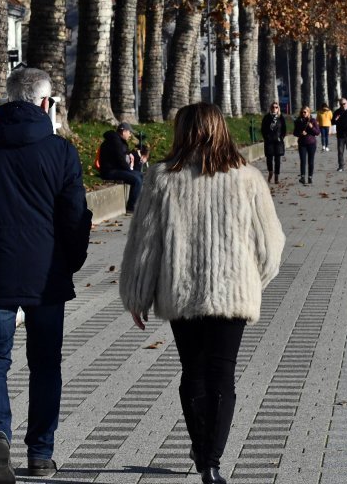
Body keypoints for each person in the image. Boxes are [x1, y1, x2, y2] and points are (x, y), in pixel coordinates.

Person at [120, 102, 285, 484]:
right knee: (222, 375)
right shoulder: (247, 177)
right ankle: (212, 460)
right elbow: (272, 244)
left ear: (182, 132)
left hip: (182, 292)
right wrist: (250, 281)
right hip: (233, 295)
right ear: (221, 130)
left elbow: (146, 245)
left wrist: (137, 295)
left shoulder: (162, 177)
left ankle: (201, 449)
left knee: (192, 372)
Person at [0, 67, 92, 484]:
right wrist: (71, 261)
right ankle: (41, 454)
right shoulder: (61, 152)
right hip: (46, 275)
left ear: (9, 100)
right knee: (45, 364)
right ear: (46, 103)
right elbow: (75, 217)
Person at [99, 121, 143, 213]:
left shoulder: (120, 141)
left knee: (141, 175)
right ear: (123, 131)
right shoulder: (115, 141)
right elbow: (120, 159)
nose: (130, 135)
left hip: (117, 169)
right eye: (129, 132)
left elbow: (124, 155)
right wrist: (129, 171)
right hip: (110, 171)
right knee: (136, 180)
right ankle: (131, 207)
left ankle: (138, 203)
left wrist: (132, 155)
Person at [293, 105, 321, 185]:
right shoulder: (298, 121)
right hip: (302, 143)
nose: (303, 113)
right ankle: (302, 177)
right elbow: (295, 133)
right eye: (302, 112)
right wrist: (300, 133)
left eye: (305, 112)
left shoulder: (313, 121)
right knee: (303, 161)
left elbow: (317, 132)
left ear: (309, 112)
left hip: (311, 143)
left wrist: (311, 127)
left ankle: (310, 177)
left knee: (310, 161)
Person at [261, 102, 286, 184]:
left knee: (277, 160)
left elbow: (284, 129)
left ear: (278, 108)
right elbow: (263, 129)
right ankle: (271, 171)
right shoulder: (267, 117)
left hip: (278, 141)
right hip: (269, 141)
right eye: (273, 107)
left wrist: (281, 137)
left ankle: (276, 176)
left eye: (276, 107)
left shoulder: (281, 117)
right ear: (270, 108)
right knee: (269, 158)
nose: (274, 109)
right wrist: (266, 137)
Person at [332, 98, 347, 172]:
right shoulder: (337, 112)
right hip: (340, 135)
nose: (342, 105)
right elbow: (332, 122)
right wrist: (335, 119)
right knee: (340, 151)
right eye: (341, 104)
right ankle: (341, 166)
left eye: (344, 104)